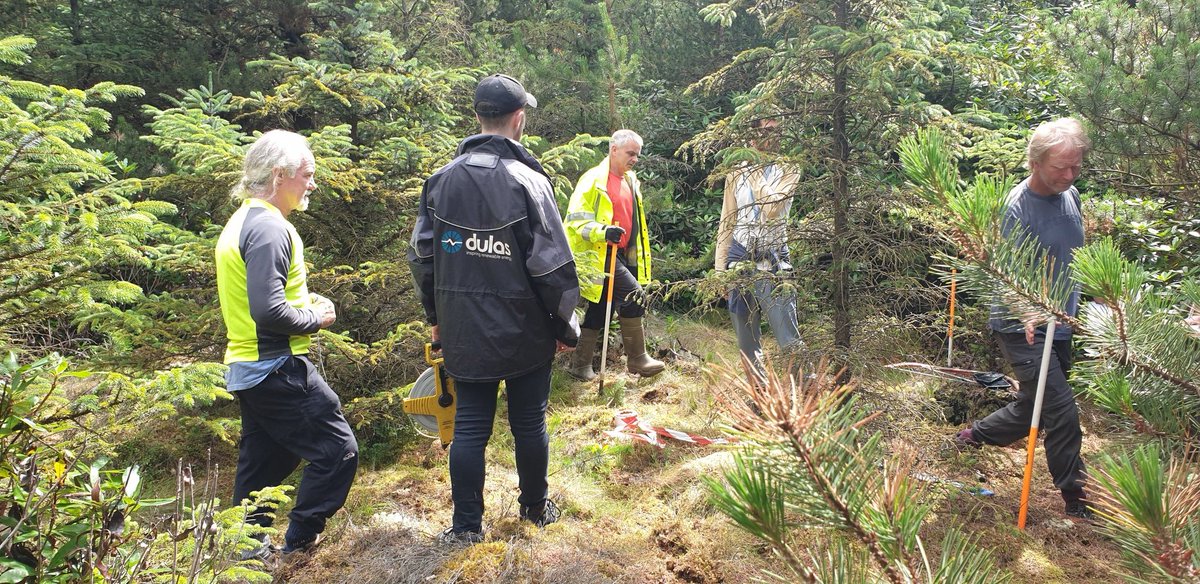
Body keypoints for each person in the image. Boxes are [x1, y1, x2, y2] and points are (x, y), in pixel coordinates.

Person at [408, 74, 581, 543]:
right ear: (519, 118)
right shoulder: (530, 181)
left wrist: (436, 321)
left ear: (478, 117)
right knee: (528, 423)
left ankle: (465, 527)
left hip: (463, 330)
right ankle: (534, 510)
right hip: (525, 331)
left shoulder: (439, 182)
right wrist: (567, 327)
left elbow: (424, 259)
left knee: (468, 428)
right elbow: (554, 268)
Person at [216, 130, 359, 557]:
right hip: (276, 367)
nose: (312, 183)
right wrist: (317, 316)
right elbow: (269, 313)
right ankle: (300, 543)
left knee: (266, 462)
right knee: (338, 451)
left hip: (248, 368)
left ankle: (243, 551)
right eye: (307, 174)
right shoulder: (270, 230)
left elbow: (262, 297)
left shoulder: (244, 220)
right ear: (279, 175)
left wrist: (303, 301)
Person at [954, 118, 1093, 520]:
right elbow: (1001, 273)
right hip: (1024, 328)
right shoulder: (1015, 208)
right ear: (1036, 162)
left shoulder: (1072, 196)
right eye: (1060, 167)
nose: (1069, 175)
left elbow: (1072, 258)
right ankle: (1076, 496)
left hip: (1061, 323)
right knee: (1062, 410)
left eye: (1076, 167)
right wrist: (1027, 309)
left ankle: (973, 436)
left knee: (1036, 404)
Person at [564, 129, 665, 380]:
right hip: (600, 254)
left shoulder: (631, 181)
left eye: (638, 155)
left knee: (601, 309)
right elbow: (574, 222)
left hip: (622, 255)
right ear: (614, 149)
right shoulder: (593, 180)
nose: (635, 159)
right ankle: (637, 360)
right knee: (634, 296)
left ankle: (579, 366)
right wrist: (602, 231)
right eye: (631, 153)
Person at [714, 118, 804, 375]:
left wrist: (755, 174)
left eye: (774, 130)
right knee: (746, 340)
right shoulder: (736, 171)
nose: (767, 136)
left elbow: (773, 208)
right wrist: (721, 270)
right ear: (750, 135)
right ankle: (759, 396)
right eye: (761, 130)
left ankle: (806, 391)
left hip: (773, 259)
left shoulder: (790, 169)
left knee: (788, 335)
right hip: (739, 258)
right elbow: (727, 220)